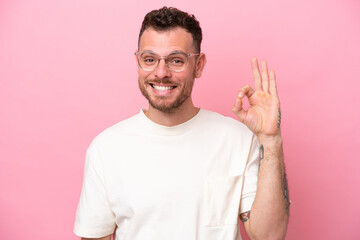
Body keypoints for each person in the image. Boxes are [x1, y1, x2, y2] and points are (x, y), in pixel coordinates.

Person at [74, 6, 289, 240]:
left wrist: (270, 139)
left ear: (198, 65)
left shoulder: (237, 139)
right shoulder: (106, 149)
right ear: (137, 63)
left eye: (176, 60)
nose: (161, 72)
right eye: (149, 59)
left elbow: (270, 236)